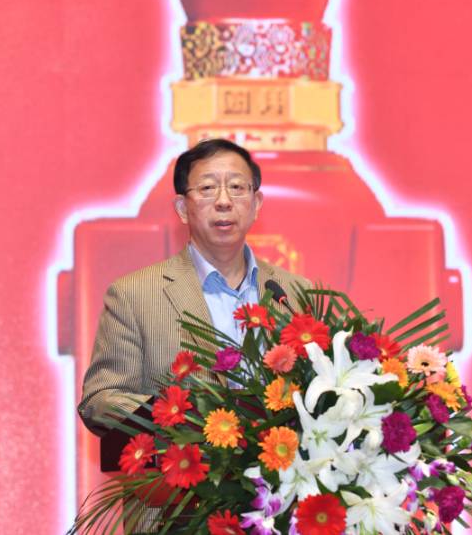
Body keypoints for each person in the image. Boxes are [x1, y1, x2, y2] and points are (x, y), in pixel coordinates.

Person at [78, 138, 310, 435]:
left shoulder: (295, 293)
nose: (224, 201)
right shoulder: (133, 296)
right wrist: (185, 419)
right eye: (207, 188)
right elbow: (101, 401)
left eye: (237, 187)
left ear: (256, 205)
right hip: (183, 461)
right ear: (182, 208)